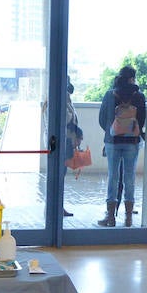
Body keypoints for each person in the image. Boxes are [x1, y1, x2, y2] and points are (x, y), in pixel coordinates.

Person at [96, 65, 147, 227]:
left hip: (112, 141)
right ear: (132, 78)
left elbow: (102, 118)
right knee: (130, 177)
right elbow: (143, 119)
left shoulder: (110, 94)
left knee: (113, 177)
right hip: (132, 142)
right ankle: (128, 218)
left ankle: (110, 217)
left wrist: (113, 131)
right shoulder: (139, 96)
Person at [62, 80, 82, 217]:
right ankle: (56, 208)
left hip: (66, 142)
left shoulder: (66, 100)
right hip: (61, 144)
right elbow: (67, 118)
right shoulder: (60, 99)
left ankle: (59, 207)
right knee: (58, 176)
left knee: (61, 176)